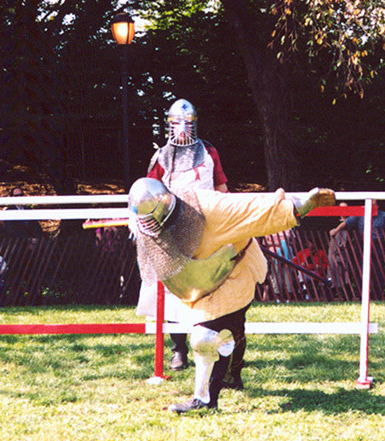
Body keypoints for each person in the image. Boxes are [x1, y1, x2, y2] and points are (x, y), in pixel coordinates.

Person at [128, 177, 335, 413]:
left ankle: (204, 399)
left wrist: (301, 205)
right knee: (224, 334)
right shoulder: (148, 222)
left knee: (204, 337)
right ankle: (230, 372)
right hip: (202, 281)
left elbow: (254, 208)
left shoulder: (209, 207)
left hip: (236, 271)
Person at [143, 99, 229, 374]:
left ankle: (212, 344)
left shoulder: (208, 152)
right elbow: (149, 192)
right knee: (171, 291)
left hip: (205, 225)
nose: (182, 128)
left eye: (187, 123)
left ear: (194, 124)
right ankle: (178, 349)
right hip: (171, 229)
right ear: (168, 126)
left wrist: (227, 218)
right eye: (176, 123)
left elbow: (221, 187)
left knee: (208, 287)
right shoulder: (161, 157)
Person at [329, 199, 385, 299]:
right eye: (370, 204)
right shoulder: (361, 213)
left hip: (377, 244)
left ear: (377, 205)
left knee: (378, 270)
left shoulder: (382, 215)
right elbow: (346, 222)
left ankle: (378, 295)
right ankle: (362, 295)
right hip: (362, 243)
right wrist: (336, 230)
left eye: (374, 205)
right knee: (361, 269)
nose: (372, 207)